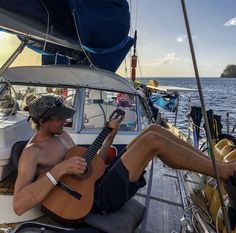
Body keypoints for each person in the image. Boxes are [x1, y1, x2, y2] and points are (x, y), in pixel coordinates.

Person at [13, 95, 235, 217]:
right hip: (93, 200)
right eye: (59, 118)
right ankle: (225, 172)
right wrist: (60, 169)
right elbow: (19, 205)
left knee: (153, 131)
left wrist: (110, 135)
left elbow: (92, 163)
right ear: (42, 121)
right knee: (152, 142)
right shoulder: (33, 152)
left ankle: (215, 165)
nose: (65, 121)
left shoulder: (61, 137)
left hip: (98, 182)